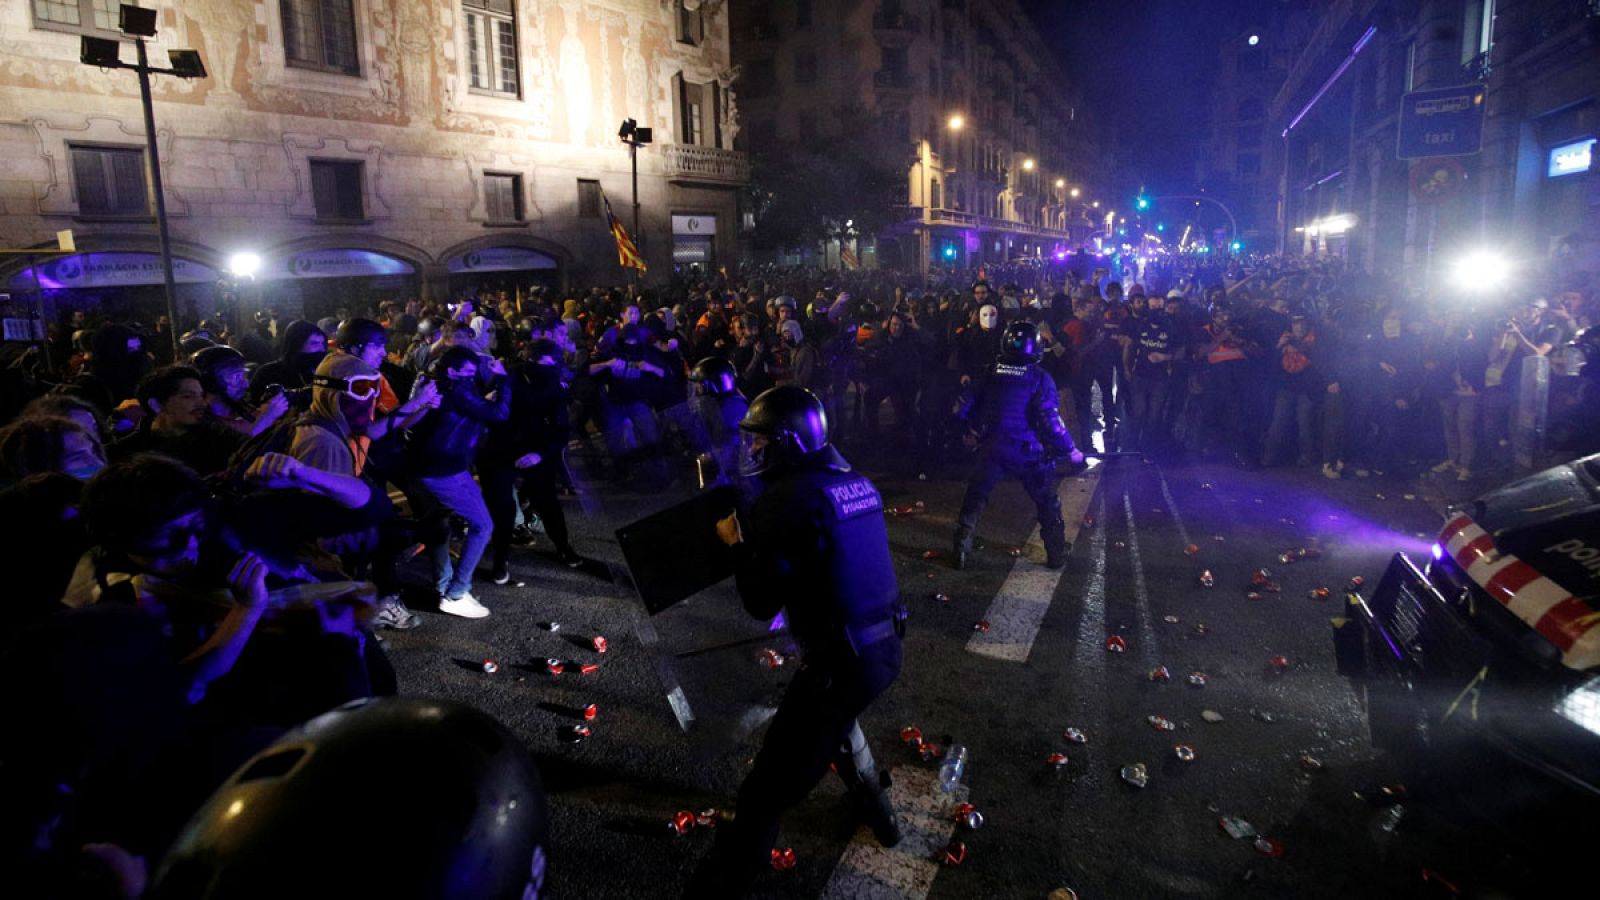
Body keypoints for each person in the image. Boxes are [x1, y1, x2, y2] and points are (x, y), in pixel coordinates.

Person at [688, 386, 903, 897]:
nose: (753, 451)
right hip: (883, 647)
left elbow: (760, 602)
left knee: (764, 793)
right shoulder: (853, 481)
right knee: (836, 721)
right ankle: (880, 812)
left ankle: (723, 885)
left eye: (761, 443)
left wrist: (738, 541)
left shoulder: (787, 499)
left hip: (839, 661)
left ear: (787, 442)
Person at [952, 320, 1085, 571]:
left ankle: (960, 549)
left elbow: (962, 405)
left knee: (975, 498)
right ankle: (1056, 554)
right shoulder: (1039, 377)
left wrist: (967, 431)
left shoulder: (990, 370)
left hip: (991, 448)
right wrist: (1071, 450)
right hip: (1027, 452)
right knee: (1047, 503)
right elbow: (1051, 421)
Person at [406, 345, 510, 618]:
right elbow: (499, 414)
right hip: (440, 470)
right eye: (466, 372)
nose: (471, 376)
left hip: (442, 466)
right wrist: (504, 379)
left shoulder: (437, 383)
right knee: (482, 525)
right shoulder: (457, 388)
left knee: (443, 525)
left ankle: (449, 588)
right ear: (451, 370)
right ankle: (455, 593)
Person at [110, 365, 244, 477]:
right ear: (156, 405)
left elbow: (250, 446)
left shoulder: (217, 435)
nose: (201, 403)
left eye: (201, 395)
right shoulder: (126, 452)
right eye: (188, 397)